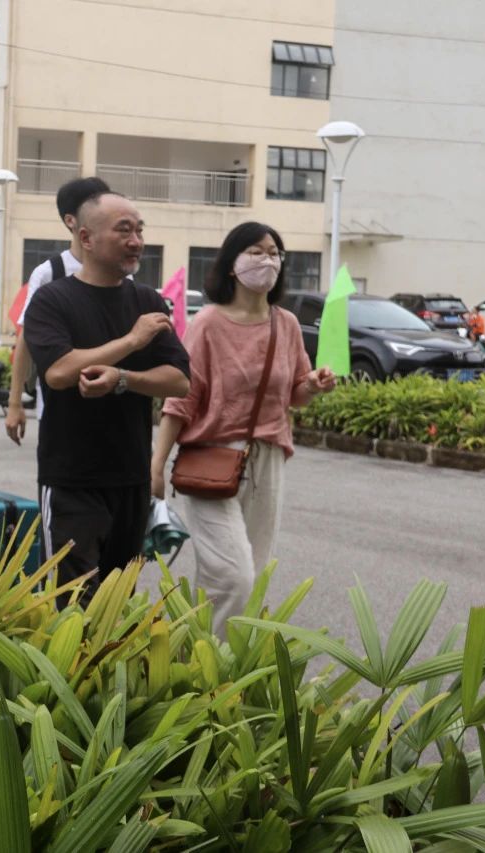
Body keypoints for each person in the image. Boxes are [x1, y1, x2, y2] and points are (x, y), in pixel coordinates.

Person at [151, 222, 336, 638]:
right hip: (211, 461)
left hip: (268, 460)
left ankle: (212, 658)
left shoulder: (286, 324)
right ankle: (206, 662)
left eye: (274, 252)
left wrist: (312, 385)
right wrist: (157, 464)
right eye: (255, 251)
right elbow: (182, 398)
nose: (266, 260)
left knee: (251, 577)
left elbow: (294, 393)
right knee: (234, 577)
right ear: (232, 264)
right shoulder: (208, 324)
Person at [23, 191, 190, 601]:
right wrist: (132, 340)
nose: (136, 241)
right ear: (86, 237)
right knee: (71, 603)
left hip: (131, 478)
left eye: (139, 231)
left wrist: (123, 379)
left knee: (117, 602)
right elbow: (59, 372)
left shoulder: (147, 301)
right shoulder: (53, 299)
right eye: (124, 230)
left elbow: (179, 381)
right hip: (71, 480)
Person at [6, 177, 113, 445]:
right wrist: (15, 403)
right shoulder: (49, 273)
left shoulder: (121, 272)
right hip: (58, 409)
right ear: (71, 221)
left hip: (111, 404)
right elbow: (26, 338)